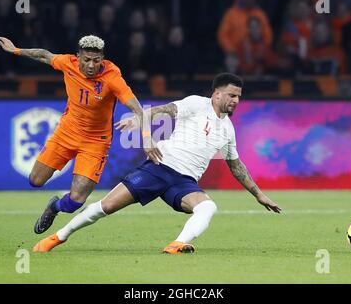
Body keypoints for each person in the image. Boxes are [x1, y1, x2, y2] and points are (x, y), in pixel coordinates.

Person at [32, 73, 281, 254]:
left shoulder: (228, 129)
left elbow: (236, 166)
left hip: (184, 184)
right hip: (159, 168)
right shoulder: (197, 104)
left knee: (208, 207)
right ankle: (58, 237)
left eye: (239, 97)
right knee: (104, 207)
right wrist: (139, 118)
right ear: (217, 95)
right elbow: (166, 110)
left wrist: (259, 195)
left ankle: (177, 245)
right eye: (232, 95)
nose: (236, 100)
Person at [0, 34, 161, 234]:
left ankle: (54, 207)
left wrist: (147, 137)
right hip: (66, 133)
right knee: (35, 180)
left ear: (102, 59)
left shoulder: (112, 77)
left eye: (96, 60)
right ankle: (52, 200)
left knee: (76, 200)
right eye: (86, 60)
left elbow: (137, 109)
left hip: (96, 142)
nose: (91, 65)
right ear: (78, 57)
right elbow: (43, 55)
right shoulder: (68, 63)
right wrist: (15, 50)